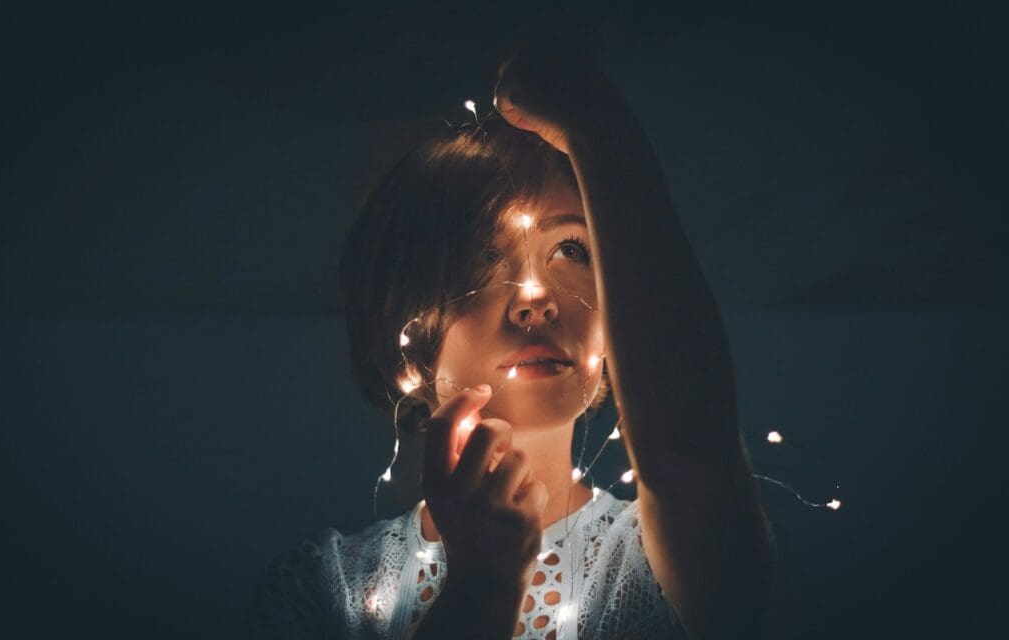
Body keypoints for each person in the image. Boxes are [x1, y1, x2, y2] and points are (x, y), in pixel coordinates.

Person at [250, 41, 772, 640]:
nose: (535, 296)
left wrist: (598, 132)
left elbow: (692, 450)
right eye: (480, 258)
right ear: (405, 317)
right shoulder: (322, 591)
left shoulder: (666, 565)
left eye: (571, 250)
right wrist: (483, 584)